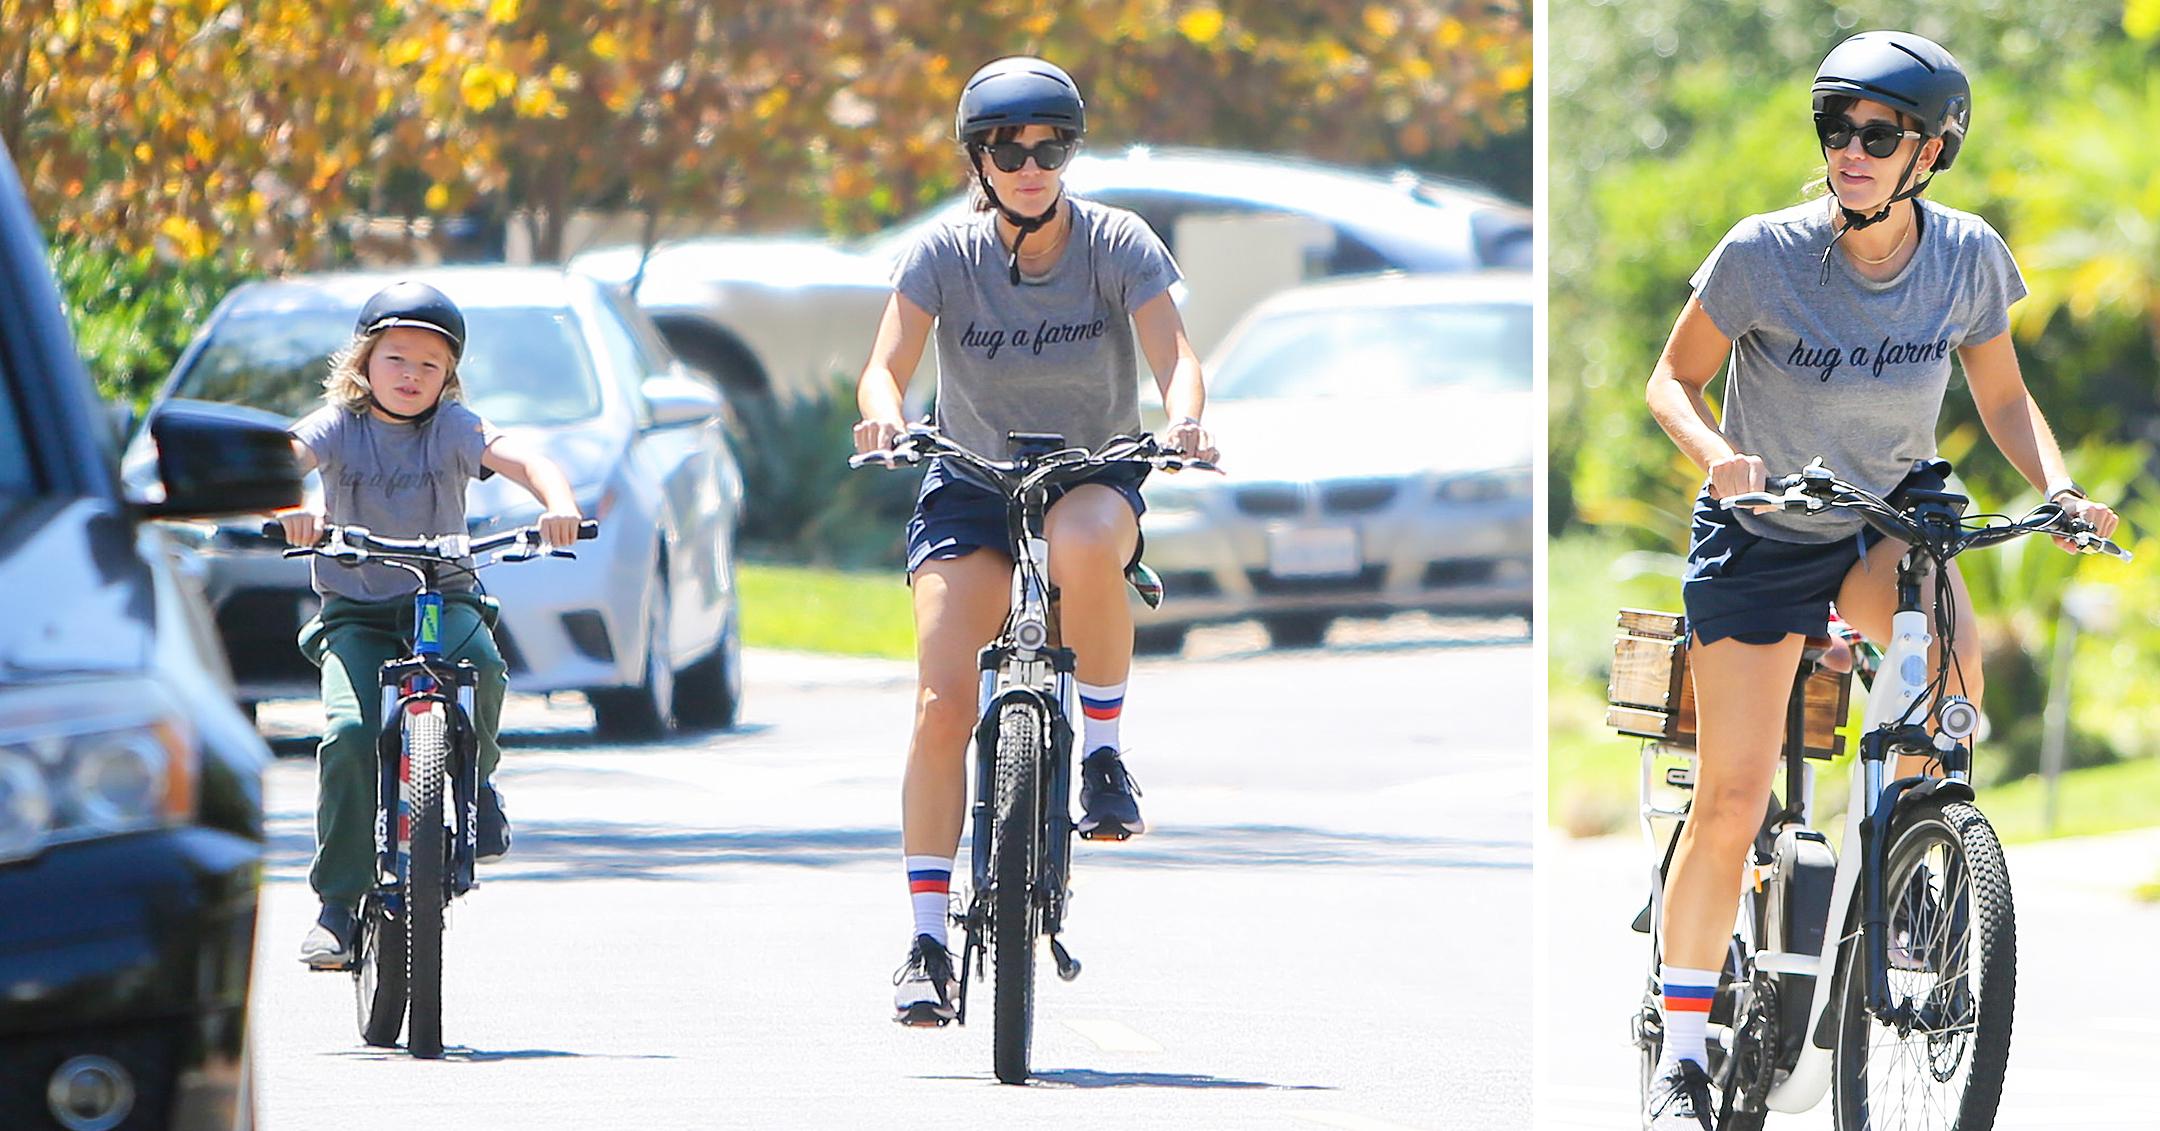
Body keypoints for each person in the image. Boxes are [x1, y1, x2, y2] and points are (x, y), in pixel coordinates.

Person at [1638, 31, 2119, 1128]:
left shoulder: (1967, 258)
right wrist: (1718, 457)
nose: (1848, 152)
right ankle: (1683, 1051)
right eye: (1835, 129)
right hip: (1761, 535)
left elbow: (2001, 397)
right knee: (1731, 800)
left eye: (1877, 133)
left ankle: (1914, 861)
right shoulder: (1761, 252)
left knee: (1948, 670)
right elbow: (1672, 379)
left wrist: (2058, 488)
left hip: (1885, 522)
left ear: (1931, 151)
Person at [852, 56, 1218, 1026]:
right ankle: (927, 940)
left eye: (1049, 145)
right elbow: (882, 369)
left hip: (1089, 469)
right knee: (940, 702)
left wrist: (1184, 420)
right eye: (1007, 147)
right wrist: (884, 417)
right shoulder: (942, 253)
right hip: (967, 479)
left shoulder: (1117, 243)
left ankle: (1100, 754)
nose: (1029, 163)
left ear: (1069, 153)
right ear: (979, 158)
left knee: (1084, 539)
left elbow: (1178, 360)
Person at [285, 281, 585, 968]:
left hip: (441, 596)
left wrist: (558, 503)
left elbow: (525, 459)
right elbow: (288, 455)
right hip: (355, 612)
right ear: (363, 362)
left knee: (481, 663)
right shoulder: (339, 423)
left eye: (430, 363)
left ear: (449, 374)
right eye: (396, 358)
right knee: (351, 733)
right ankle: (336, 901)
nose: (412, 375)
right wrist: (289, 504)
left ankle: (476, 784)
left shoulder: (454, 428)